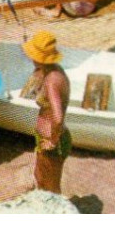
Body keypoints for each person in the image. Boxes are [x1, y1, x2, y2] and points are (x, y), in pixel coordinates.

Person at [20, 30, 73, 193]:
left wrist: (53, 141)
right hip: (45, 137)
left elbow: (57, 118)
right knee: (40, 177)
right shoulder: (51, 71)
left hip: (53, 140)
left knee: (51, 188)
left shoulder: (52, 80)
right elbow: (30, 92)